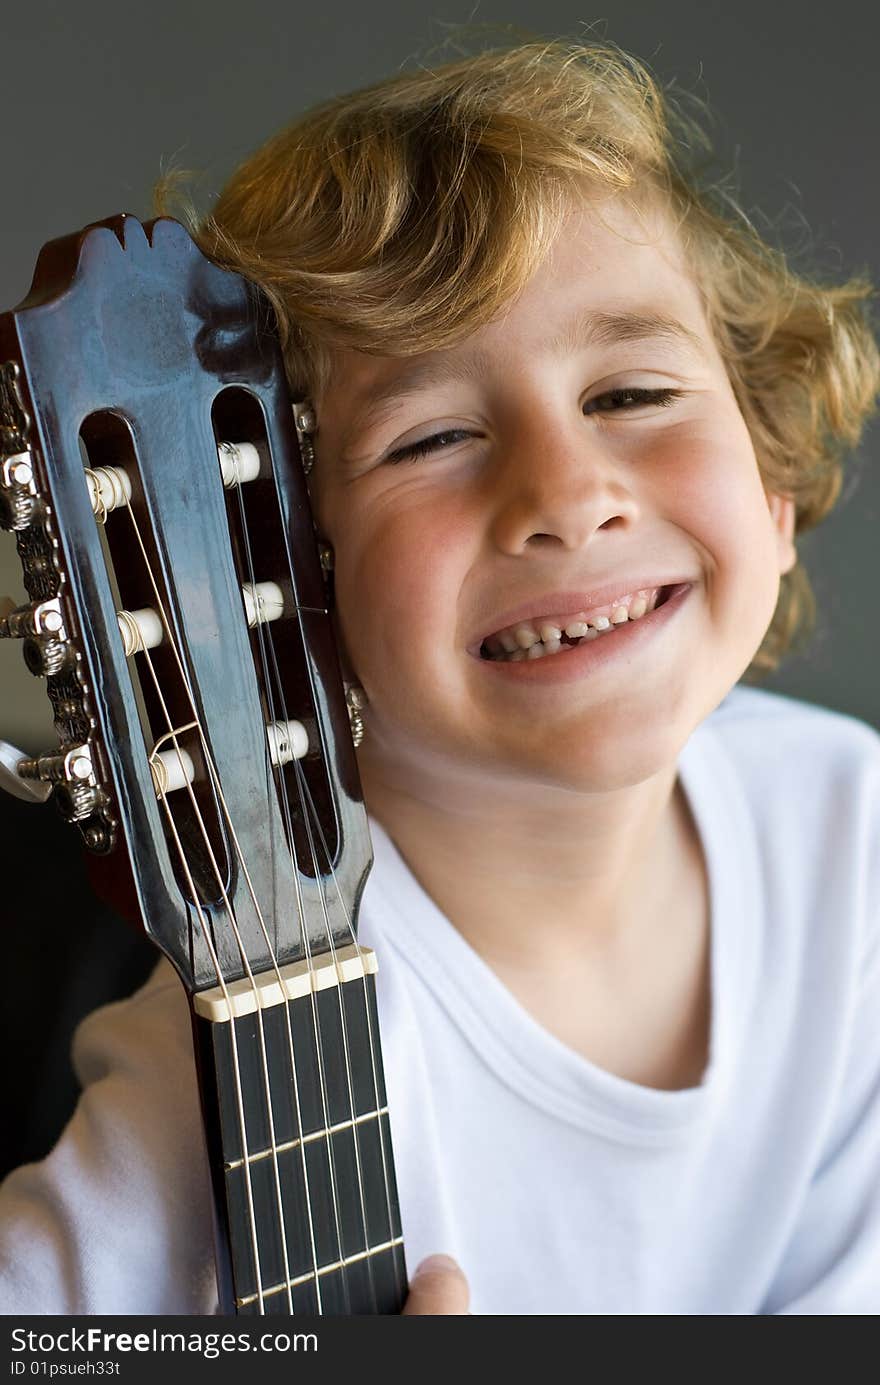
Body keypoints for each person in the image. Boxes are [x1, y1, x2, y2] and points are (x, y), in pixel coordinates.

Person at [1, 37, 879, 1316]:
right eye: (434, 436)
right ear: (284, 579)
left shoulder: (844, 837)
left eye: (632, 390)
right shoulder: (225, 1052)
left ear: (776, 477)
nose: (566, 496)